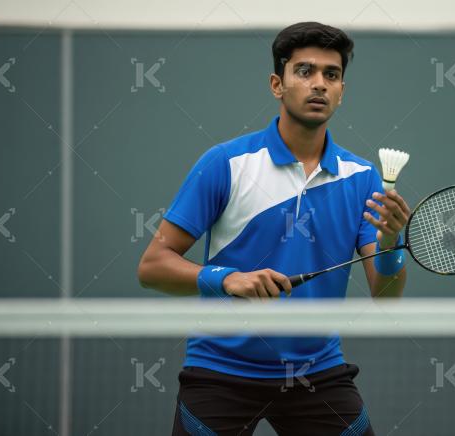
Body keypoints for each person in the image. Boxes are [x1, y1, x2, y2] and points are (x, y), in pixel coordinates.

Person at [138, 21, 410, 436]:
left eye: (331, 75)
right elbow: (153, 266)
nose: (319, 84)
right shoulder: (225, 164)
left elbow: (386, 299)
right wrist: (227, 280)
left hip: (316, 371)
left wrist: (390, 242)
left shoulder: (363, 177)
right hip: (220, 369)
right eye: (305, 71)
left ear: (341, 90)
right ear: (277, 84)